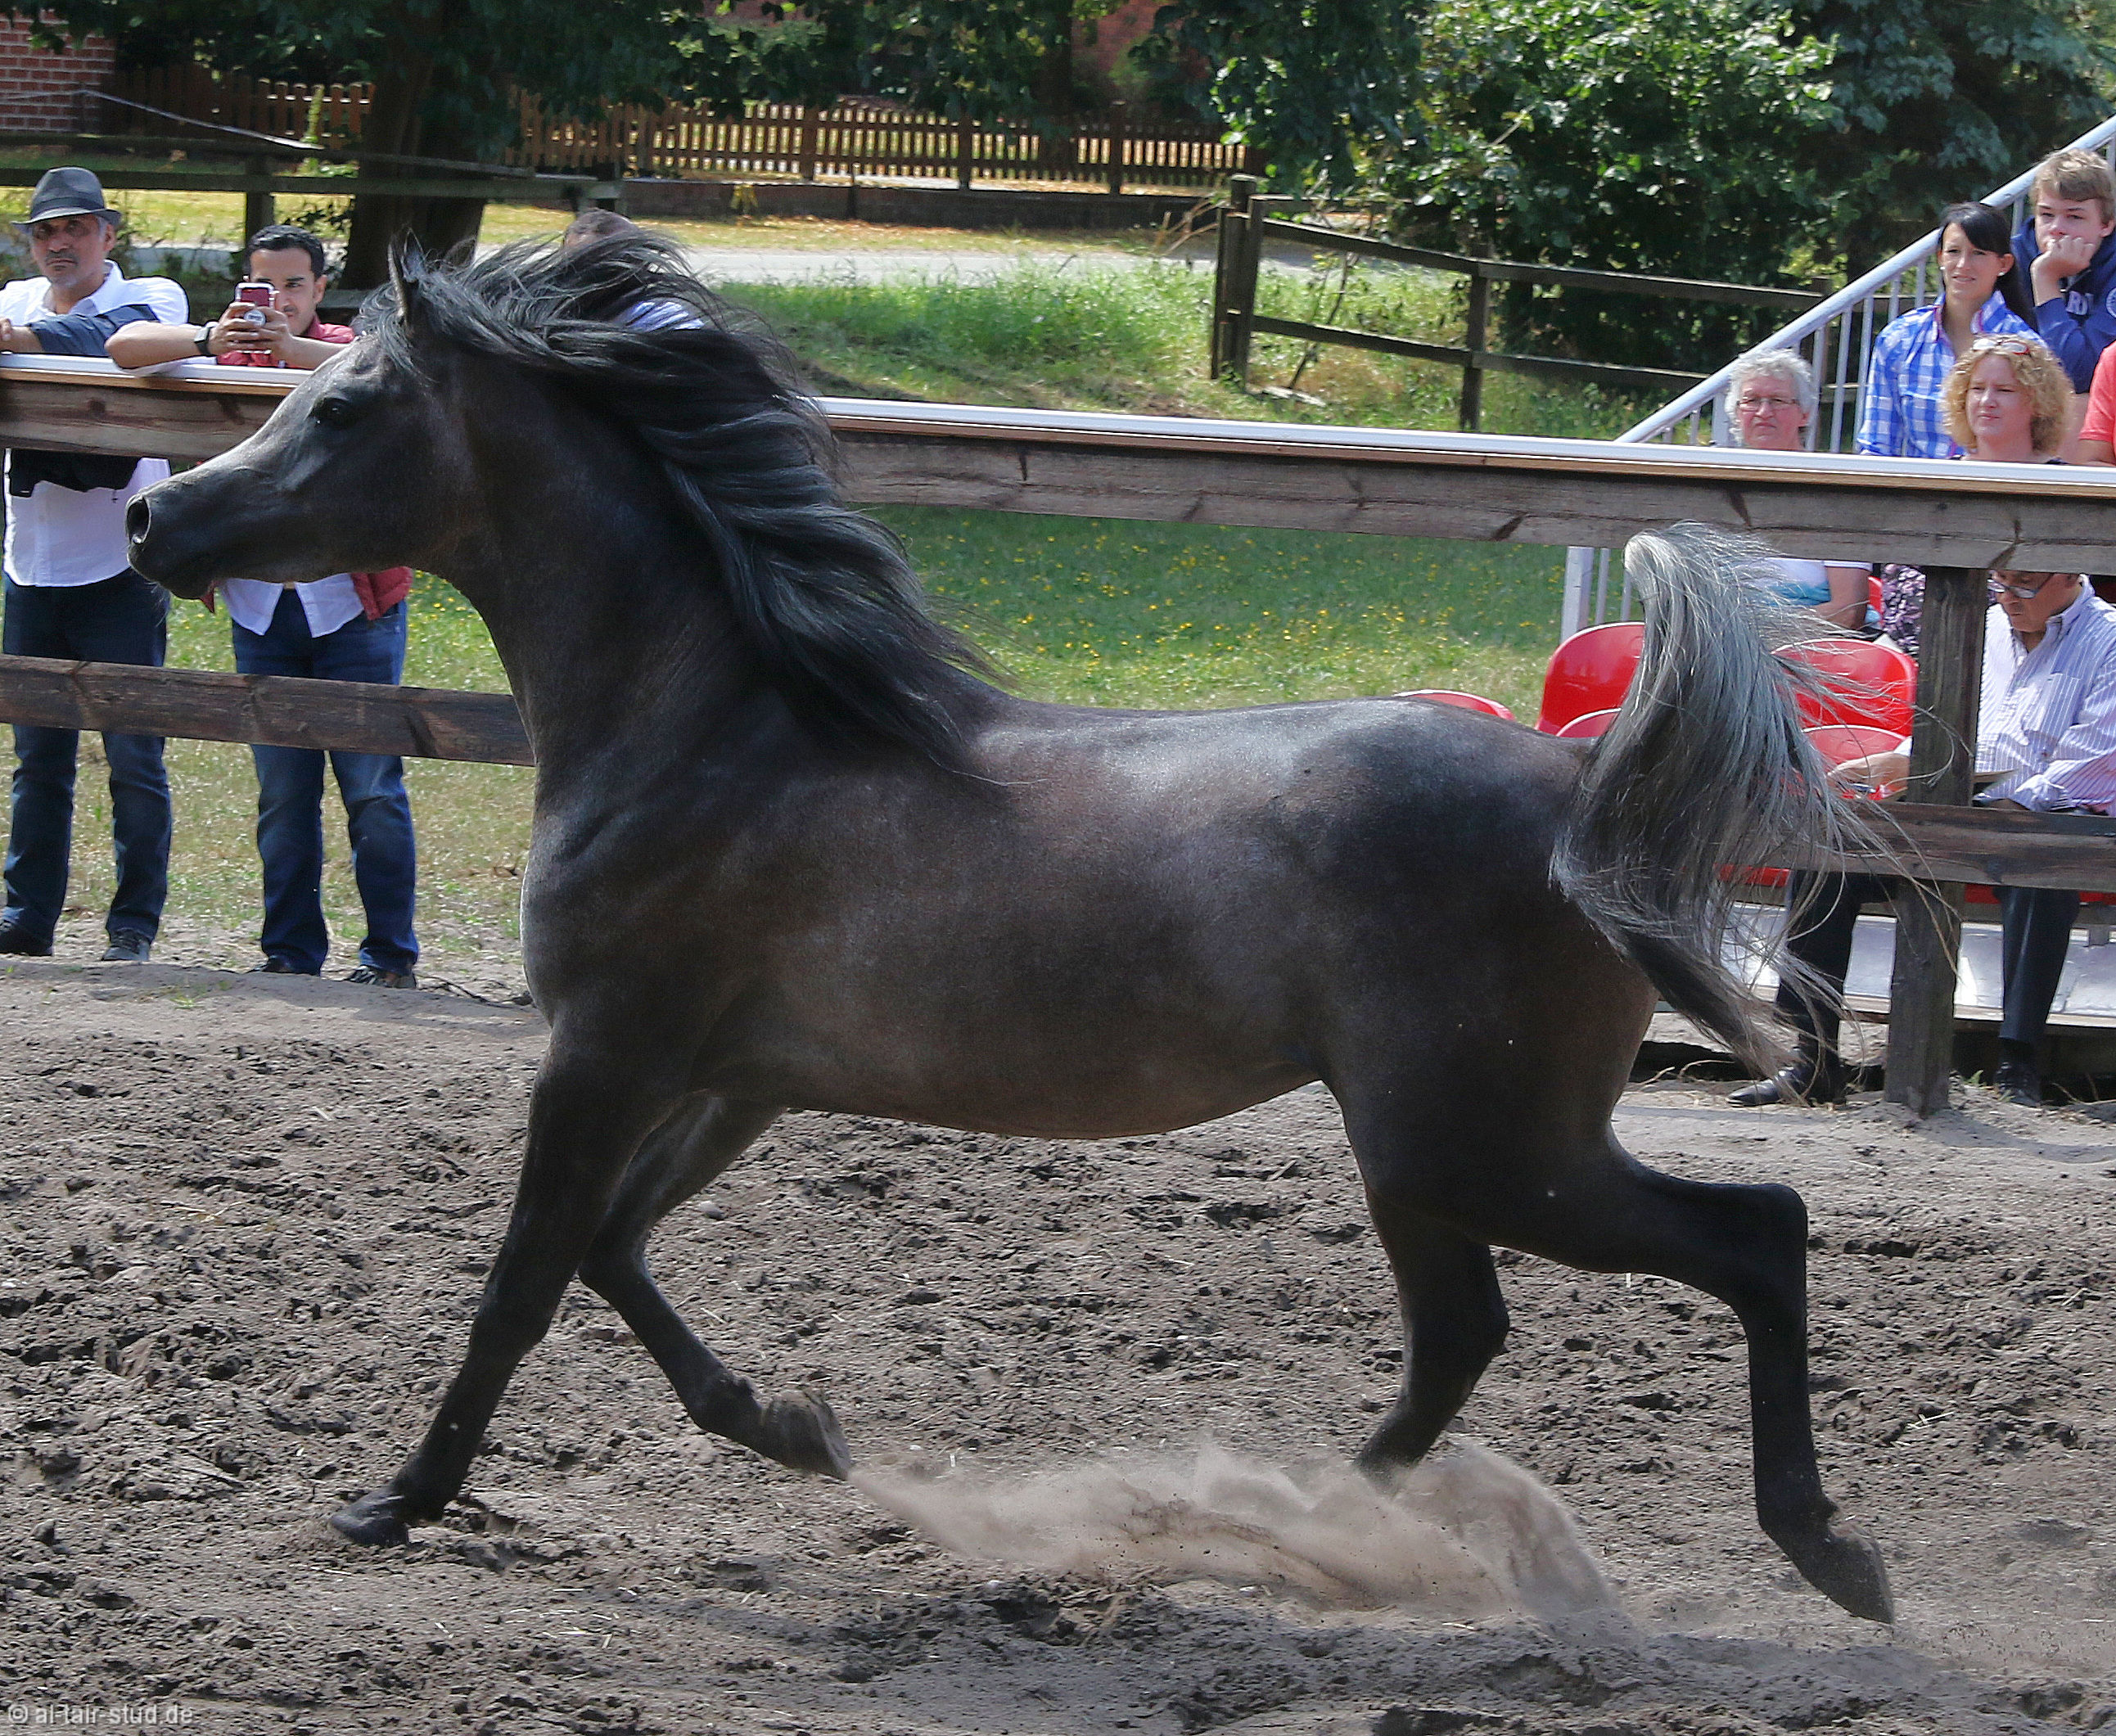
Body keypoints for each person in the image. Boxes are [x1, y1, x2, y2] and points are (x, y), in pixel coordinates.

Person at [111, 225, 420, 989]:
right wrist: (211, 338)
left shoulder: (349, 351)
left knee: (372, 789)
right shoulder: (228, 354)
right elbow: (123, 348)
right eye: (263, 286)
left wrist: (293, 350)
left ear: (320, 290)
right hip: (262, 612)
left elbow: (385, 365)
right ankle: (290, 953)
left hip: (352, 610)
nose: (276, 301)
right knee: (283, 795)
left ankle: (389, 956)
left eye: (292, 286)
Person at [1733, 566, 2116, 1111]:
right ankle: (1812, 1056)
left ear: (2068, 575)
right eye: (2001, 583)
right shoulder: (1981, 626)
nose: (2008, 597)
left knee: (2042, 865)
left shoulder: (2107, 639)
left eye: (2023, 585)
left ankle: (2017, 1063)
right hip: (1958, 801)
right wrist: (1901, 763)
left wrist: (2004, 803)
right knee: (1827, 857)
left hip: (2048, 810)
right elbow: (1942, 725)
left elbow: (2092, 760)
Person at [0, 168, 189, 964]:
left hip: (120, 568)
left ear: (108, 235)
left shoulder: (153, 296)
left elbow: (109, 338)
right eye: (46, 230)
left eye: (76, 227)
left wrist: (20, 344)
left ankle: (133, 924)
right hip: (30, 565)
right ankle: (27, 915)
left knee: (134, 755)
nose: (60, 243)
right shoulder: (14, 299)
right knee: (37, 758)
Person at [1874, 334, 2071, 659]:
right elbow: (1899, 577)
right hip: (1921, 646)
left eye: (2004, 390)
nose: (1986, 401)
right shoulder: (1936, 479)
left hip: (2036, 651)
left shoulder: (2067, 485)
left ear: (2038, 402)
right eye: (1977, 389)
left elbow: (2060, 591)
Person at [1857, 201, 2036, 460]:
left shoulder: (2026, 348)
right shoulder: (1899, 339)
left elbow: (2039, 446)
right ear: (1940, 257)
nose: (1963, 264)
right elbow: (1877, 446)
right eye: (1953, 251)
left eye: (1978, 253)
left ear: (2004, 264)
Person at [1721, 350, 1871, 629]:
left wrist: (1757, 631)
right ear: (1737, 414)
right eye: (1752, 401)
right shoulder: (1713, 488)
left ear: (1805, 413)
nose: (1764, 412)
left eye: (1777, 401)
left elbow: (1848, 612)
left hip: (1814, 640)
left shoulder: (1835, 490)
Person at [2010, 148, 2116, 399]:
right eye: (2046, 215)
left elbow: (2078, 376)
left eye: (2074, 217)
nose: (2056, 229)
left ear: (2106, 225)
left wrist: (2045, 280)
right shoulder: (2011, 258)